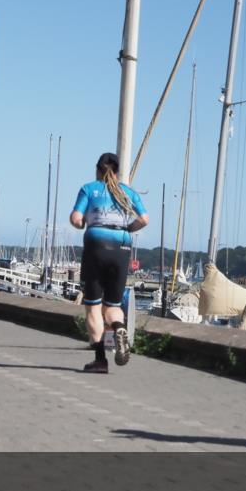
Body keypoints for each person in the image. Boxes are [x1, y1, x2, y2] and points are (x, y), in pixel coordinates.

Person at [69, 152, 148, 374]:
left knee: (93, 306)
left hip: (96, 247)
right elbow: (144, 219)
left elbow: (76, 218)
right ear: (117, 171)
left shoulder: (89, 189)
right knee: (112, 306)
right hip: (122, 248)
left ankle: (100, 360)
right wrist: (127, 228)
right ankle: (120, 328)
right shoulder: (128, 193)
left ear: (98, 169)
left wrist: (83, 222)